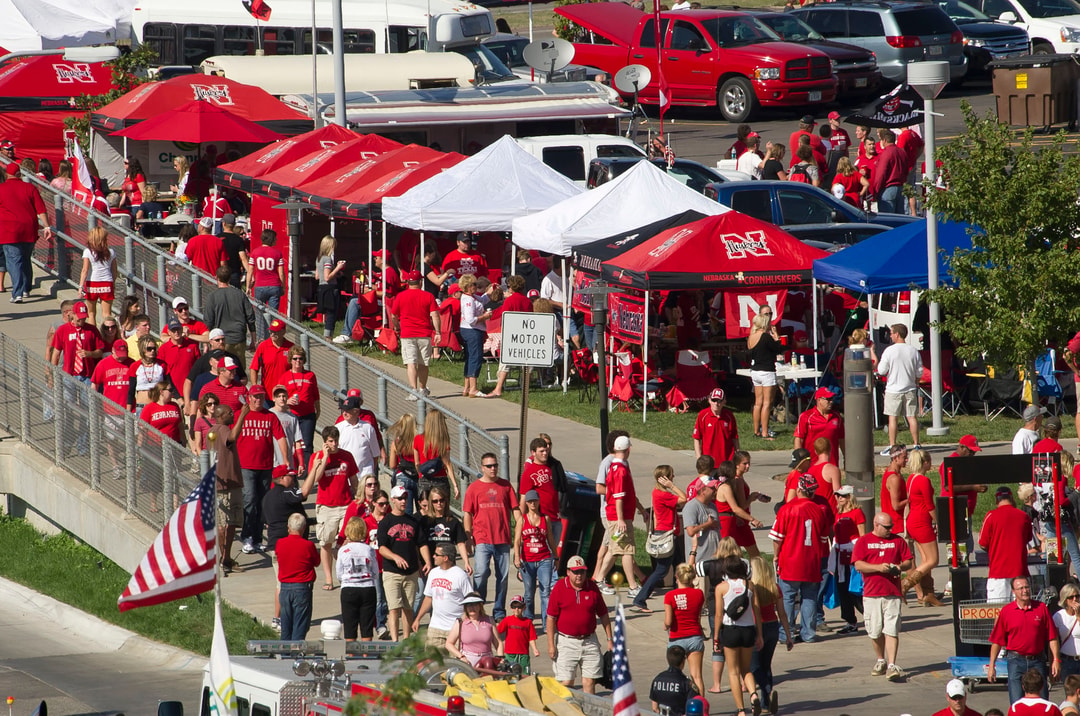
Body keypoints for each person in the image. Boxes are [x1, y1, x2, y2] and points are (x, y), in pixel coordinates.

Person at [853, 512, 913, 682]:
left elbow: (908, 561)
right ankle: (881, 660)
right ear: (876, 524)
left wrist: (899, 567)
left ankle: (892, 664)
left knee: (892, 629)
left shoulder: (898, 541)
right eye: (886, 527)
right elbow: (858, 564)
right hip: (872, 594)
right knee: (874, 630)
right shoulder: (863, 542)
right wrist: (878, 568)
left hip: (892, 593)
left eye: (891, 527)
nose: (890, 530)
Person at [770, 473, 830, 644]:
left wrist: (776, 555)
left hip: (790, 561)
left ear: (799, 490)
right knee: (810, 597)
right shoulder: (819, 511)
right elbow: (824, 539)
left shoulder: (787, 509)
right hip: (812, 562)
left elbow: (777, 537)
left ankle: (785, 634)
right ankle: (809, 634)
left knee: (787, 598)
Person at [463, 452, 518, 621]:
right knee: (481, 572)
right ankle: (478, 605)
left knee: (502, 577)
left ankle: (499, 611)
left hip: (502, 539)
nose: (493, 468)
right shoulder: (473, 488)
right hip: (482, 538)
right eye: (489, 466)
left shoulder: (506, 486)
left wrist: (520, 526)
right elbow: (467, 514)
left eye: (495, 465)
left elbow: (516, 510)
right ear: (482, 468)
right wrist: (468, 537)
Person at [546, 555, 614, 694]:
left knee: (589, 682)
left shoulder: (592, 588)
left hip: (589, 641)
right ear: (568, 572)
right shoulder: (559, 588)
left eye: (582, 571)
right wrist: (551, 645)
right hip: (566, 642)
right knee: (566, 682)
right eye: (576, 572)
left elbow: (604, 614)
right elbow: (551, 618)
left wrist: (610, 639)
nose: (579, 575)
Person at [989, 576, 1061, 703]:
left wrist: (1055, 660)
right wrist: (991, 665)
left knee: (1042, 701)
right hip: (1015, 661)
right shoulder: (1006, 612)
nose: (1025, 591)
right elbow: (997, 641)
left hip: (1037, 661)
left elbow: (1052, 637)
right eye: (1020, 588)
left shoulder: (1041, 608)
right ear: (1013, 591)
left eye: (1027, 587)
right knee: (1016, 702)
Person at [234, 386, 287, 554]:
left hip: (265, 466)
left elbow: (280, 437)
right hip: (246, 466)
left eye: (261, 397)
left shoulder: (270, 416)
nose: (259, 399)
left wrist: (286, 460)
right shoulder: (240, 415)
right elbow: (230, 437)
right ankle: (247, 536)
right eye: (255, 397)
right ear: (249, 397)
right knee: (250, 499)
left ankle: (257, 539)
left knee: (262, 503)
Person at [263, 464, 316, 628]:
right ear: (281, 479)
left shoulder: (267, 497)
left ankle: (278, 618)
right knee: (287, 585)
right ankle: (280, 619)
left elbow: (265, 522)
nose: (293, 480)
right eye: (290, 477)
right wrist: (313, 469)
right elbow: (305, 493)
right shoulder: (285, 493)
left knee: (281, 583)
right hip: (287, 547)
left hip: (275, 546)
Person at [378, 484, 431, 640]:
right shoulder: (386, 522)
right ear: (393, 500)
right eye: (400, 498)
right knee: (394, 608)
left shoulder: (413, 521)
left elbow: (421, 543)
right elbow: (381, 548)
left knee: (408, 608)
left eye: (405, 498)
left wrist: (427, 561)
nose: (403, 501)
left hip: (411, 571)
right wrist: (395, 557)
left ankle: (406, 641)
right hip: (392, 571)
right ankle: (395, 641)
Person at [597, 435, 647, 596]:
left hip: (618, 516)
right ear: (628, 450)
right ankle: (633, 587)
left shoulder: (618, 467)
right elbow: (618, 498)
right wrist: (620, 519)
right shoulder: (619, 470)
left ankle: (599, 579)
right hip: (619, 517)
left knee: (614, 548)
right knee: (626, 550)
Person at [633, 465, 687, 613]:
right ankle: (640, 599)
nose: (673, 477)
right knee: (661, 571)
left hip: (668, 534)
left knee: (679, 567)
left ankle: (680, 598)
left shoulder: (656, 492)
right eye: (671, 476)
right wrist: (672, 486)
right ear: (665, 479)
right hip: (667, 536)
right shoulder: (664, 495)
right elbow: (684, 499)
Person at [311, 425, 359, 589]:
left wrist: (358, 498)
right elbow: (316, 478)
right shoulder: (316, 457)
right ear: (325, 442)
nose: (334, 444)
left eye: (336, 440)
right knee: (326, 542)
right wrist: (324, 457)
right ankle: (329, 578)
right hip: (326, 506)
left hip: (345, 504)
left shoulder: (347, 456)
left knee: (347, 540)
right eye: (331, 441)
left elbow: (353, 479)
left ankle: (345, 575)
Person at [714, 556, 763, 716]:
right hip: (748, 629)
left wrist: (716, 637)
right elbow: (756, 610)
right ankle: (753, 694)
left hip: (731, 630)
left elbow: (719, 615)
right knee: (746, 669)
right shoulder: (750, 586)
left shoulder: (721, 587)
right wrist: (759, 635)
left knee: (733, 672)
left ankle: (741, 710)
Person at [0, 162, 51, 303]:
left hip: (9, 230)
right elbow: (41, 209)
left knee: (14, 261)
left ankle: (17, 293)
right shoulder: (30, 188)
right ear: (19, 174)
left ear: (6, 174)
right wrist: (47, 227)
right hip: (29, 229)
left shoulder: (1, 189)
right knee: (26, 259)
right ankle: (26, 288)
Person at [749, 556, 792, 715]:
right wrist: (788, 635)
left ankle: (763, 691)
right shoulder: (775, 587)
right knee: (766, 664)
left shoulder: (752, 589)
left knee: (754, 667)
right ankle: (766, 702)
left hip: (756, 628)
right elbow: (782, 613)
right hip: (773, 627)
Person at [901, 448, 943, 606]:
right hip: (922, 522)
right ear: (925, 463)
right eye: (929, 461)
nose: (931, 464)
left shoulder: (911, 478)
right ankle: (904, 585)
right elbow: (929, 505)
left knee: (925, 560)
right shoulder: (923, 481)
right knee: (933, 560)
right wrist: (938, 521)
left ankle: (927, 594)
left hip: (913, 521)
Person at [390, 270, 440, 397]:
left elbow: (393, 315)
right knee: (423, 363)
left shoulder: (401, 296)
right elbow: (435, 315)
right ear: (421, 282)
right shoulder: (428, 296)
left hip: (407, 333)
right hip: (424, 333)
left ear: (408, 282)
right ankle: (422, 389)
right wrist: (438, 332)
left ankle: (413, 390)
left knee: (410, 363)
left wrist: (397, 327)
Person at [412, 543, 473, 647]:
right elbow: (428, 598)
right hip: (435, 627)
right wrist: (418, 618)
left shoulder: (461, 575)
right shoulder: (433, 573)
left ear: (445, 558)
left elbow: (470, 601)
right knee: (432, 661)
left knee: (454, 662)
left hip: (455, 628)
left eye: (436, 554)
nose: (433, 556)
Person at [980, 486, 1035, 602]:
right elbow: (1028, 538)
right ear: (1011, 498)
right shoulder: (1023, 516)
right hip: (1020, 572)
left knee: (998, 614)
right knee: (1021, 613)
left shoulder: (991, 516)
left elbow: (983, 543)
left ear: (997, 500)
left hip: (998, 573)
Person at [514, 488, 556, 627]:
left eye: (535, 501)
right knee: (529, 593)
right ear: (526, 503)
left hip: (544, 558)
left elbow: (550, 537)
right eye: (530, 501)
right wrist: (516, 557)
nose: (533, 503)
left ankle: (546, 624)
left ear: (539, 501)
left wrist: (555, 556)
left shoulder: (546, 518)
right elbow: (517, 540)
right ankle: (529, 619)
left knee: (545, 592)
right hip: (527, 560)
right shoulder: (522, 519)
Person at [877, 324, 923, 451]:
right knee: (912, 417)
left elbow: (881, 370)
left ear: (897, 334)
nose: (890, 335)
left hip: (893, 390)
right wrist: (916, 381)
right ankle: (916, 444)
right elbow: (919, 370)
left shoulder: (889, 351)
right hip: (910, 388)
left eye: (891, 333)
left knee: (893, 418)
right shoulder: (913, 350)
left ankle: (892, 445)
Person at [276, 512, 321, 640]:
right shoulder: (308, 545)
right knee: (300, 625)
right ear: (304, 528)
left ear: (288, 527)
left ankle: (285, 653)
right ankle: (296, 653)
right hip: (302, 588)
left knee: (286, 624)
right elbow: (316, 562)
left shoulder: (280, 543)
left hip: (285, 588)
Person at [664, 563, 706, 697]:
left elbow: (668, 621)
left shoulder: (670, 595)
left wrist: (665, 625)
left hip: (677, 638)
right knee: (697, 676)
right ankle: (701, 706)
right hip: (695, 636)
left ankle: (676, 704)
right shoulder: (699, 594)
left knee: (674, 676)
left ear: (676, 577)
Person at [337, 516, 381, 642]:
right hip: (367, 588)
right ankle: (366, 655)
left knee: (349, 626)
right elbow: (375, 572)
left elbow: (339, 573)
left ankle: (351, 655)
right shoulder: (369, 549)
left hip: (349, 588)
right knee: (367, 626)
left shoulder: (343, 550)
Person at [203, 265, 256, 365]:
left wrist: (207, 343)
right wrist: (253, 340)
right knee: (239, 372)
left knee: (221, 370)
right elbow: (250, 318)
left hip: (220, 340)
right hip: (239, 338)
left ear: (216, 278)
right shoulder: (240, 294)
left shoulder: (212, 297)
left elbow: (208, 321)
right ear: (230, 278)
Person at [833, 485, 866, 634]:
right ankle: (850, 621)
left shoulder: (857, 513)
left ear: (850, 497)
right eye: (838, 495)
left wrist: (859, 556)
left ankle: (870, 617)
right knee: (843, 590)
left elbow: (862, 536)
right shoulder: (837, 513)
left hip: (852, 556)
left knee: (855, 590)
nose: (840, 498)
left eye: (843, 495)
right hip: (840, 557)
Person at [518, 438, 562, 546]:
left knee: (553, 553)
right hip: (540, 520)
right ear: (533, 453)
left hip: (555, 518)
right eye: (541, 451)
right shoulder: (529, 473)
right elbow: (523, 499)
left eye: (546, 450)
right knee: (542, 553)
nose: (545, 453)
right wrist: (522, 523)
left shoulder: (553, 467)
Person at [747, 310, 782, 440]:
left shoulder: (751, 336)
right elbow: (778, 348)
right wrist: (776, 336)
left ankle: (756, 430)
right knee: (767, 403)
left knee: (758, 403)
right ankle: (765, 432)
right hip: (766, 371)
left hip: (755, 371)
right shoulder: (766, 337)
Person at [283, 345, 320, 467]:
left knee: (307, 444)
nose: (297, 361)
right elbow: (276, 396)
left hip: (308, 415)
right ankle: (293, 468)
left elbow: (315, 394)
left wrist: (318, 409)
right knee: (292, 444)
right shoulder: (285, 376)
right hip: (291, 414)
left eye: (300, 358)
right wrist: (287, 401)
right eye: (295, 359)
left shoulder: (310, 375)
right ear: (290, 360)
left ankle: (307, 471)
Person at [458, 273, 492, 398]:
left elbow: (482, 299)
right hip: (472, 330)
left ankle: (466, 387)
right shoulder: (468, 300)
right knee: (475, 357)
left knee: (469, 357)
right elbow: (470, 319)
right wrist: (485, 317)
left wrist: (490, 291)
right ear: (467, 286)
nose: (476, 286)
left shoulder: (472, 297)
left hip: (470, 330)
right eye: (474, 284)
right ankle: (473, 388)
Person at [414, 409, 458, 502]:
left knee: (425, 511)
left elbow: (417, 463)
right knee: (442, 510)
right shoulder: (443, 441)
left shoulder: (418, 439)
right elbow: (447, 464)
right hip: (440, 479)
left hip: (424, 479)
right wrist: (455, 485)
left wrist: (421, 475)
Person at [794, 387, 845, 466]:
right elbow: (799, 439)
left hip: (831, 462)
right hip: (812, 463)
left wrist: (846, 458)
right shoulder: (806, 416)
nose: (831, 402)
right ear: (818, 400)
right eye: (828, 399)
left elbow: (842, 439)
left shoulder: (837, 416)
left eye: (832, 399)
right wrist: (799, 460)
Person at [447, 593, 502, 666]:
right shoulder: (460, 622)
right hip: (468, 662)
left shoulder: (489, 620)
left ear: (480, 606)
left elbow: (498, 642)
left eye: (475, 604)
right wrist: (461, 656)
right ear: (465, 607)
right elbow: (449, 643)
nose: (472, 608)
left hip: (488, 662)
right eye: (469, 605)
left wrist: (500, 658)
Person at [77, 227, 116, 326]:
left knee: (91, 313)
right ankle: (107, 335)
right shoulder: (111, 251)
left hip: (92, 283)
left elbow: (85, 270)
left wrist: (80, 286)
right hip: (107, 282)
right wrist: (113, 283)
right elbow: (114, 270)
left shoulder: (88, 251)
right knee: (107, 314)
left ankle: (93, 337)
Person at [337, 395, 380, 478]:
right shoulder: (338, 428)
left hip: (365, 477)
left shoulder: (368, 428)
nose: (344, 413)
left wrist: (369, 473)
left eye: (347, 410)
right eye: (343, 410)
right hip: (346, 476)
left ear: (356, 411)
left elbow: (375, 454)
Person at [694, 388, 740, 463]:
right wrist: (699, 458)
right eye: (713, 400)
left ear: (724, 401)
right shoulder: (703, 415)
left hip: (727, 461)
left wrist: (737, 455)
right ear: (709, 400)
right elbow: (697, 438)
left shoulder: (729, 416)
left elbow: (734, 437)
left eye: (719, 401)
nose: (716, 403)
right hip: (708, 461)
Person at [247, 228, 285, 318]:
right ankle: (272, 331)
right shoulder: (278, 254)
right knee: (273, 314)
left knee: (259, 313)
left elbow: (250, 271)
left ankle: (261, 332)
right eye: (275, 238)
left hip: (259, 286)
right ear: (271, 239)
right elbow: (281, 273)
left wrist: (248, 286)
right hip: (274, 285)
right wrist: (283, 286)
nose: (276, 240)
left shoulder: (255, 252)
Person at [651, 646, 699, 716]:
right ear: (683, 661)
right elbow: (693, 707)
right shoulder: (686, 683)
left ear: (668, 660)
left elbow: (654, 708)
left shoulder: (657, 679)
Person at [683, 478, 720, 570]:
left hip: (715, 558)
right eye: (712, 488)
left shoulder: (712, 506)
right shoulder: (691, 507)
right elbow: (691, 531)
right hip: (699, 560)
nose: (715, 491)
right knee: (702, 584)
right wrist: (708, 524)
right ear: (703, 490)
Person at [498, 595, 540, 674]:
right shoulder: (507, 620)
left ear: (524, 607)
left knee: (525, 674)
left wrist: (535, 649)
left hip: (523, 654)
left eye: (519, 607)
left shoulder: (528, 622)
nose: (516, 609)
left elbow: (531, 638)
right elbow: (497, 632)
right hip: (510, 654)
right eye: (514, 607)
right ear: (511, 608)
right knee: (510, 674)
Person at [316, 235, 347, 339]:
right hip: (329, 288)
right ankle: (328, 337)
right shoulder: (328, 259)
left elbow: (317, 276)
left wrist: (337, 273)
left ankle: (327, 335)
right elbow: (327, 277)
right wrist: (338, 268)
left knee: (328, 313)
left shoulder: (318, 259)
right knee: (331, 314)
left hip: (321, 287)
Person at [871, 129, 907, 214]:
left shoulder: (886, 153)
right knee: (900, 218)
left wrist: (876, 190)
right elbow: (906, 170)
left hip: (888, 189)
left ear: (884, 140)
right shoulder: (902, 152)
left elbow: (881, 174)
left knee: (888, 218)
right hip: (900, 188)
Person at [1055, 583, 1080, 682]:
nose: (1075, 599)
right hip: (1067, 660)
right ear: (1065, 600)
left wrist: (1078, 615)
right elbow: (1054, 640)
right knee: (1071, 693)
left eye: (1077, 596)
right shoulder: (1059, 616)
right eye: (1071, 597)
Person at [219, 214, 248, 289]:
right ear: (234, 224)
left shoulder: (217, 238)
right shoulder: (238, 240)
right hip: (234, 272)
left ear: (223, 223)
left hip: (220, 272)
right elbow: (243, 258)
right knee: (235, 297)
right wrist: (250, 272)